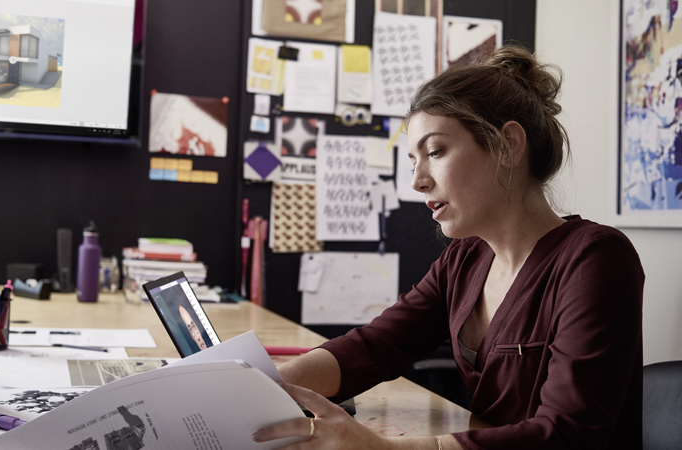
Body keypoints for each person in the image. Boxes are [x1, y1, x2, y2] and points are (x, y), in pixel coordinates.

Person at [252, 45, 644, 449]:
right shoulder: (465, 259)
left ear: (508, 145)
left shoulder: (595, 259)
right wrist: (262, 386)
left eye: (435, 152)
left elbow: (568, 433)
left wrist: (382, 448)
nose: (418, 181)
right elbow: (378, 344)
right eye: (413, 160)